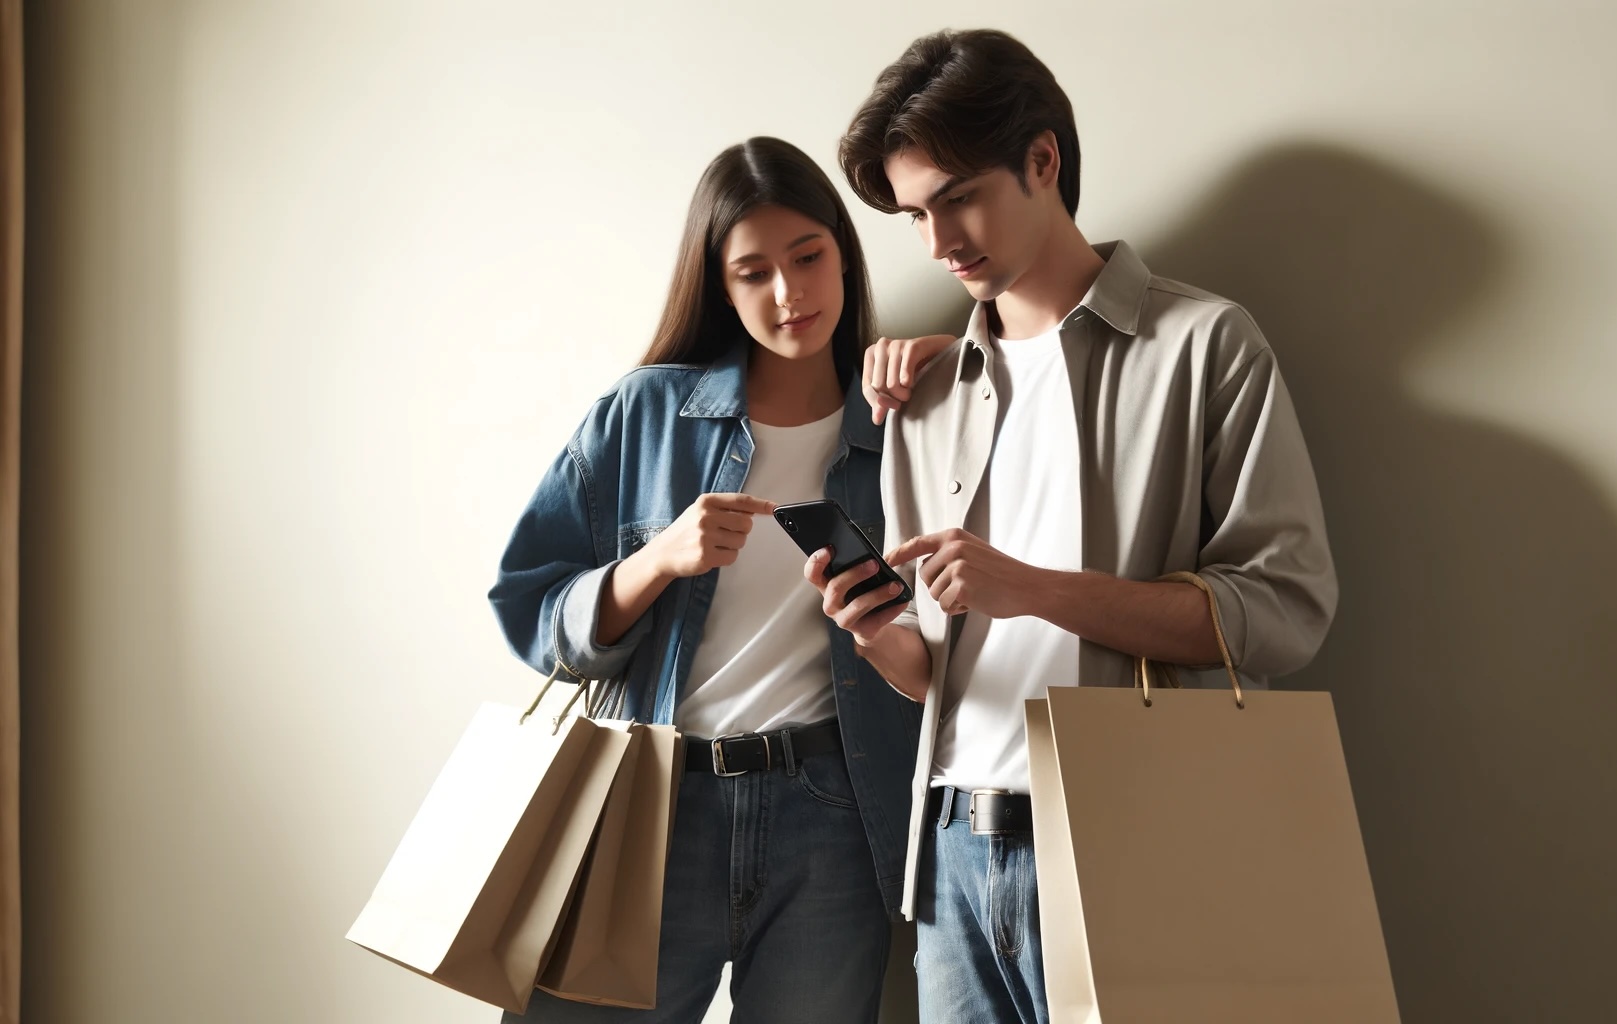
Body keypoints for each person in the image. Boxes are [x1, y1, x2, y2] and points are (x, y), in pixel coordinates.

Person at [806, 30, 1340, 1024]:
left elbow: (1287, 608)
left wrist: (1034, 589)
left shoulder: (1203, 346)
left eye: (958, 195)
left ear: (1042, 161)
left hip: (1134, 846)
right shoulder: (924, 395)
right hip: (954, 854)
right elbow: (943, 669)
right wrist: (884, 642)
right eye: (916, 213)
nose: (936, 241)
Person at [488, 136, 952, 1023]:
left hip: (834, 815)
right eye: (753, 273)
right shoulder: (646, 413)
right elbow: (530, 611)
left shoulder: (905, 425)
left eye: (809, 257)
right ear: (719, 284)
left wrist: (955, 368)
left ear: (843, 254)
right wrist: (658, 559)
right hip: (655, 807)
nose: (789, 294)